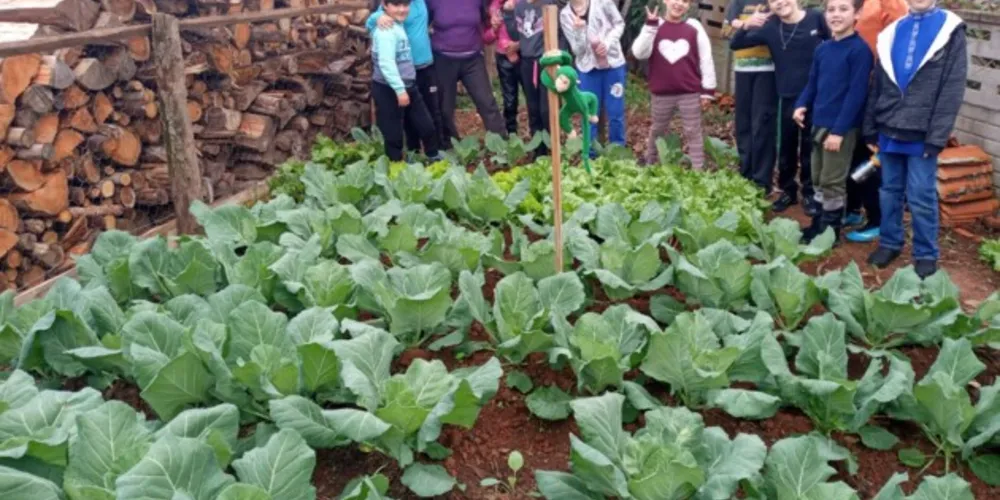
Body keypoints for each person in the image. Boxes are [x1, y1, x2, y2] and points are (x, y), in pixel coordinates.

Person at [863, 0, 967, 278]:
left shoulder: (950, 29)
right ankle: (889, 242)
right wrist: (870, 127)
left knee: (921, 195)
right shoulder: (892, 31)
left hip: (922, 133)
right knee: (889, 192)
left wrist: (937, 136)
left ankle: (925, 253)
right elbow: (879, 85)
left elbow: (952, 88)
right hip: (889, 129)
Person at [731, 0, 829, 216]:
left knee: (809, 148)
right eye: (774, 1)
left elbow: (834, 42)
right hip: (786, 95)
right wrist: (746, 25)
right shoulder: (771, 26)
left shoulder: (816, 18)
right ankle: (788, 190)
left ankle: (810, 193)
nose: (780, 3)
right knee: (786, 148)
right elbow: (735, 44)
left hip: (815, 95)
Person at [792, 0, 872, 244]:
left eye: (843, 9)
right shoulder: (824, 48)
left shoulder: (859, 51)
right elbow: (813, 82)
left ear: (857, 14)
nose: (836, 15)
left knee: (832, 181)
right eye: (831, 10)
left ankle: (831, 231)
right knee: (816, 177)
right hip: (818, 124)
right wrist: (801, 104)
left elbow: (856, 95)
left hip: (841, 129)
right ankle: (818, 223)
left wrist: (838, 131)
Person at [842, 0, 908, 243]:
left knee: (871, 158)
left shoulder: (891, 4)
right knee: (852, 153)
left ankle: (877, 219)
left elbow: (897, 46)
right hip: (852, 89)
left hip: (875, 90)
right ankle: (852, 209)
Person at [631, 0, 716, 168]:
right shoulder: (655, 25)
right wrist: (650, 27)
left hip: (689, 91)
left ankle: (698, 170)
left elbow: (706, 58)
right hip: (662, 92)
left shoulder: (694, 27)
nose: (679, 4)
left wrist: (708, 90)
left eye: (685, 1)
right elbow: (639, 52)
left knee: (693, 130)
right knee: (657, 130)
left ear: (689, 5)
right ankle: (650, 163)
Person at [368, 0, 445, 152]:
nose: (402, 9)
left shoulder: (421, 3)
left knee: (431, 113)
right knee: (404, 122)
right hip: (399, 74)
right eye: (398, 6)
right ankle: (412, 152)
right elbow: (374, 21)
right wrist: (377, 17)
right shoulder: (388, 24)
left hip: (423, 65)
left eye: (405, 5)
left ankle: (437, 152)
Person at [425, 0, 507, 140]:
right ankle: (449, 148)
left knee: (487, 102)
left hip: (472, 59)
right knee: (444, 108)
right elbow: (417, 18)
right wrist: (378, 18)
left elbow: (488, 17)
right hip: (443, 59)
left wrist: (493, 20)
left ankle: (501, 145)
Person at [560, 0, 627, 154]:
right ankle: (590, 156)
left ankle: (618, 155)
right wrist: (578, 31)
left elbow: (619, 24)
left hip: (613, 65)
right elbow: (578, 50)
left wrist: (608, 43)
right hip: (587, 70)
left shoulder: (603, 2)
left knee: (615, 113)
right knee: (588, 114)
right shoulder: (565, 14)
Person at [724, 0, 777, 195]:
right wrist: (745, 25)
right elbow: (725, 33)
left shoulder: (772, 3)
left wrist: (740, 27)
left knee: (762, 125)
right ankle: (745, 175)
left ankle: (762, 182)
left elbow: (773, 33)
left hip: (767, 72)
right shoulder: (737, 3)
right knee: (743, 125)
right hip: (742, 71)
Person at [504, 0, 559, 155]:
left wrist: (557, 59)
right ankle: (538, 151)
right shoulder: (520, 6)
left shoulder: (548, 4)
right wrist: (508, 14)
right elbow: (515, 35)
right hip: (527, 64)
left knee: (546, 109)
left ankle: (552, 149)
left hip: (546, 63)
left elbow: (557, 34)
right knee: (533, 109)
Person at [488, 0, 522, 135]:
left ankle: (540, 135)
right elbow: (486, 37)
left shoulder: (524, 3)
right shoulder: (492, 6)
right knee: (509, 99)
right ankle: (511, 134)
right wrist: (493, 29)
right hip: (503, 58)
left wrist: (518, 45)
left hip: (525, 54)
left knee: (533, 98)